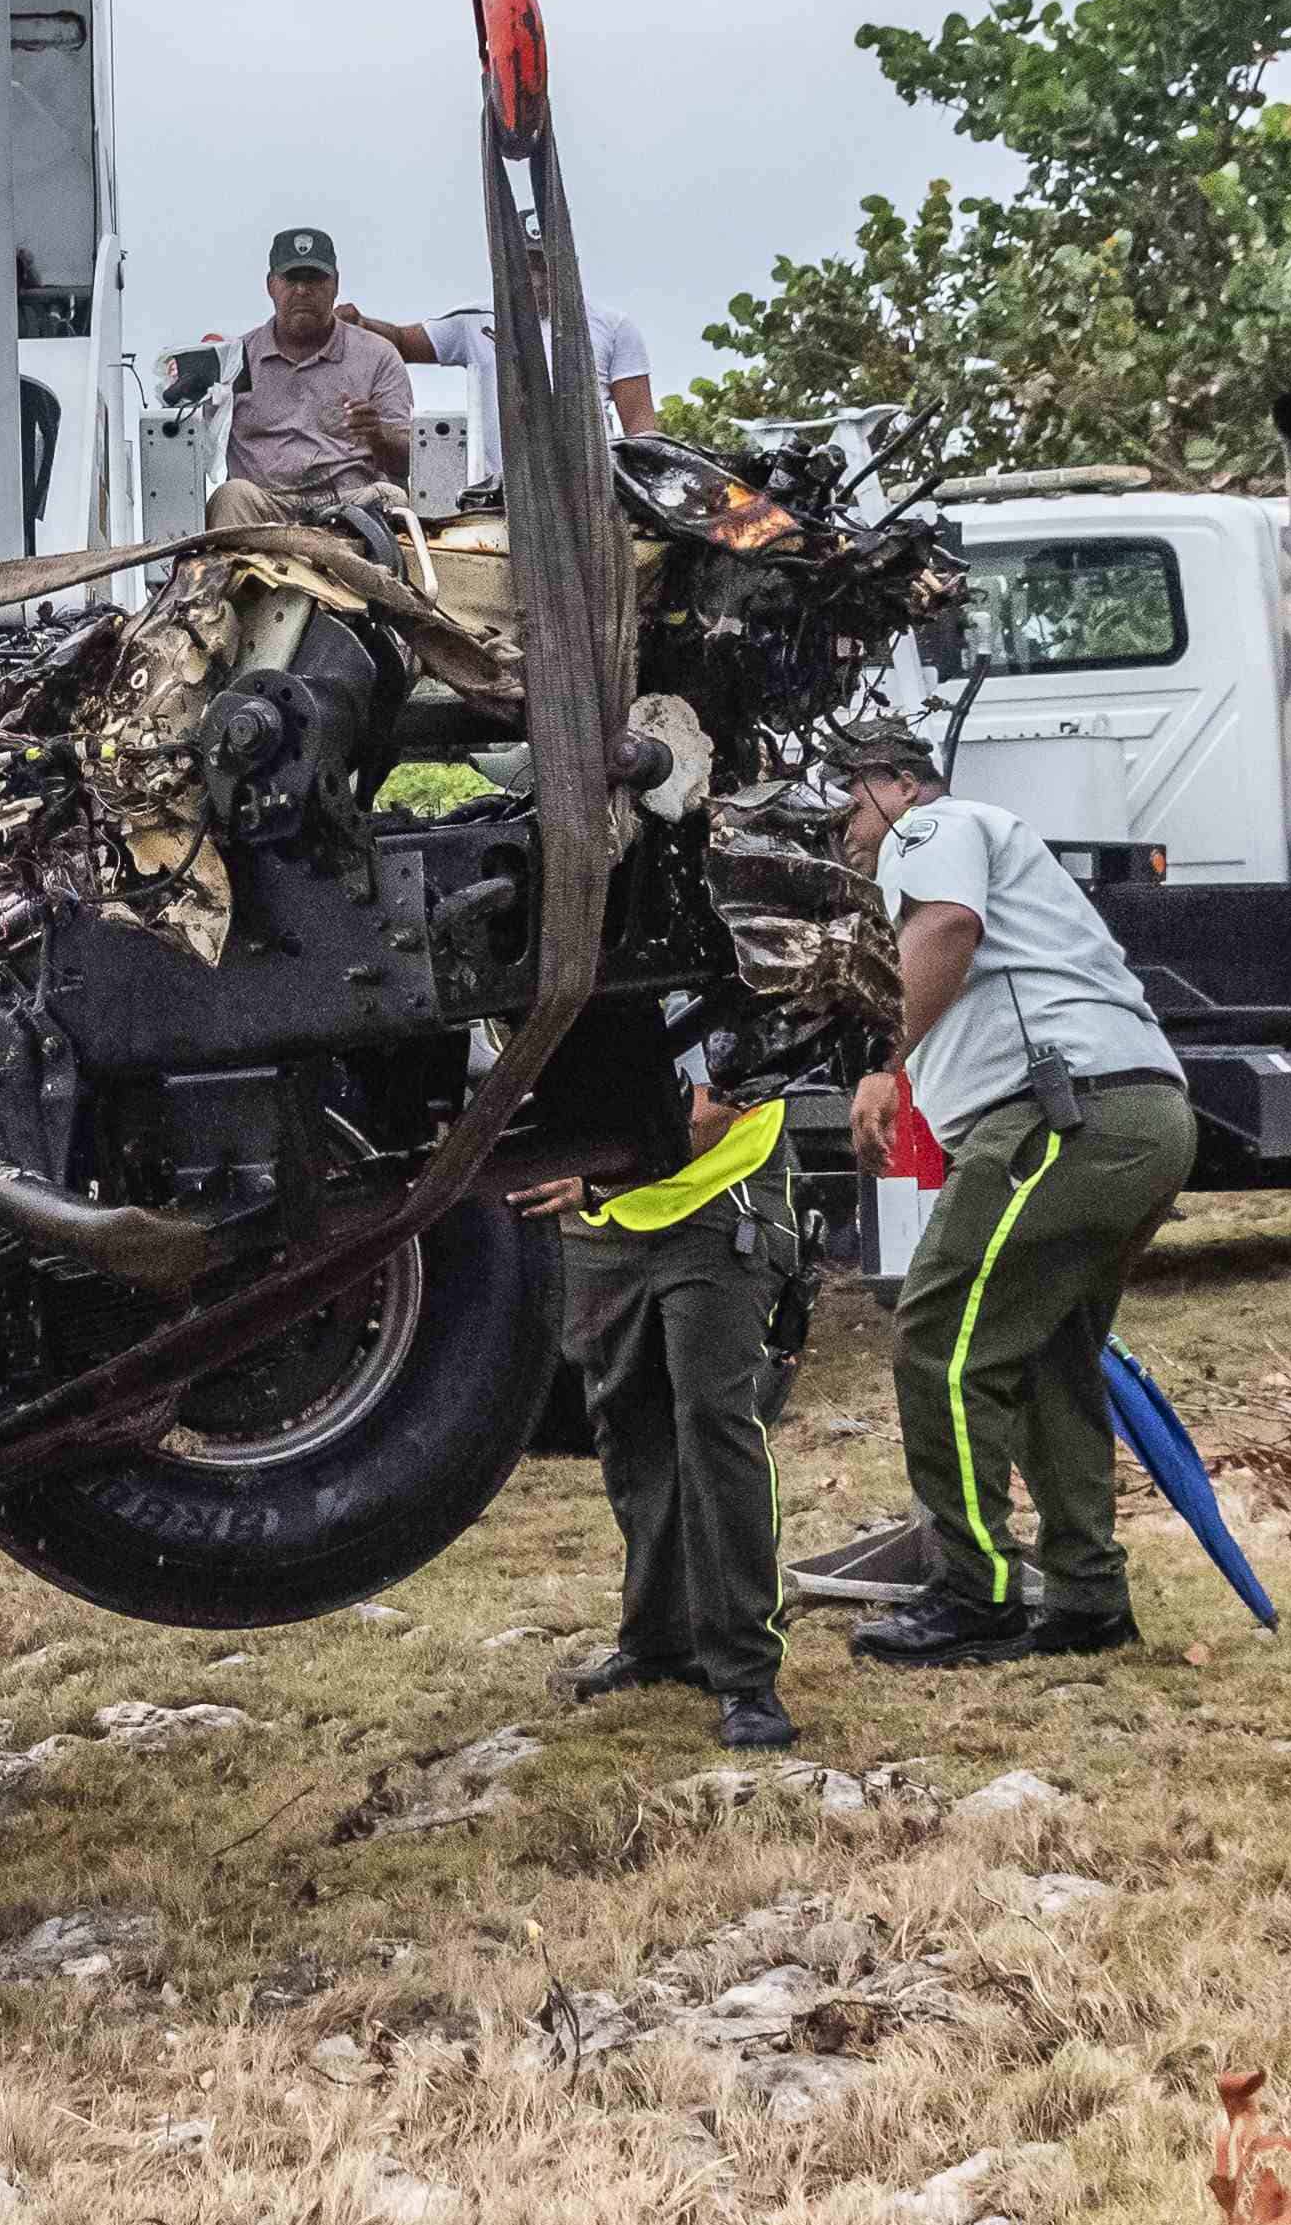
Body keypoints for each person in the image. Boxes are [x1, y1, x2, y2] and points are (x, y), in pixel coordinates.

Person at [819, 722, 1199, 1666]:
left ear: (898, 784)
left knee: (937, 1339)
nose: (843, 832)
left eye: (847, 804)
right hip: (1136, 1116)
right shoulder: (995, 840)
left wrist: (883, 1061)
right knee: (1041, 1361)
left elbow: (947, 927)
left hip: (1057, 1116)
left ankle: (974, 1593)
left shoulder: (932, 829)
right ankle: (1085, 1600)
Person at [509, 1045, 809, 1748]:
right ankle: (657, 1644)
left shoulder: (718, 954)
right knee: (627, 1428)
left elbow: (719, 1107)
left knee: (712, 1421)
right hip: (601, 1226)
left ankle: (744, 1675)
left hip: (716, 1210)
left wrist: (595, 1180)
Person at [220, 226, 413, 505]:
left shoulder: (378, 356)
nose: (302, 290)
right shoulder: (232, 361)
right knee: (231, 496)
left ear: (335, 284)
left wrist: (377, 434)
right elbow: (199, 447)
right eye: (291, 278)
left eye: (315, 279)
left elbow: (406, 462)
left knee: (390, 496)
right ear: (270, 285)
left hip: (350, 503)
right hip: (264, 504)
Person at [348, 298, 660, 439]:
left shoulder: (613, 326)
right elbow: (402, 341)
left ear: (568, 262)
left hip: (589, 493)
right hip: (501, 497)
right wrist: (360, 324)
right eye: (526, 263)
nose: (535, 274)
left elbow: (640, 426)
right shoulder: (478, 320)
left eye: (543, 261)